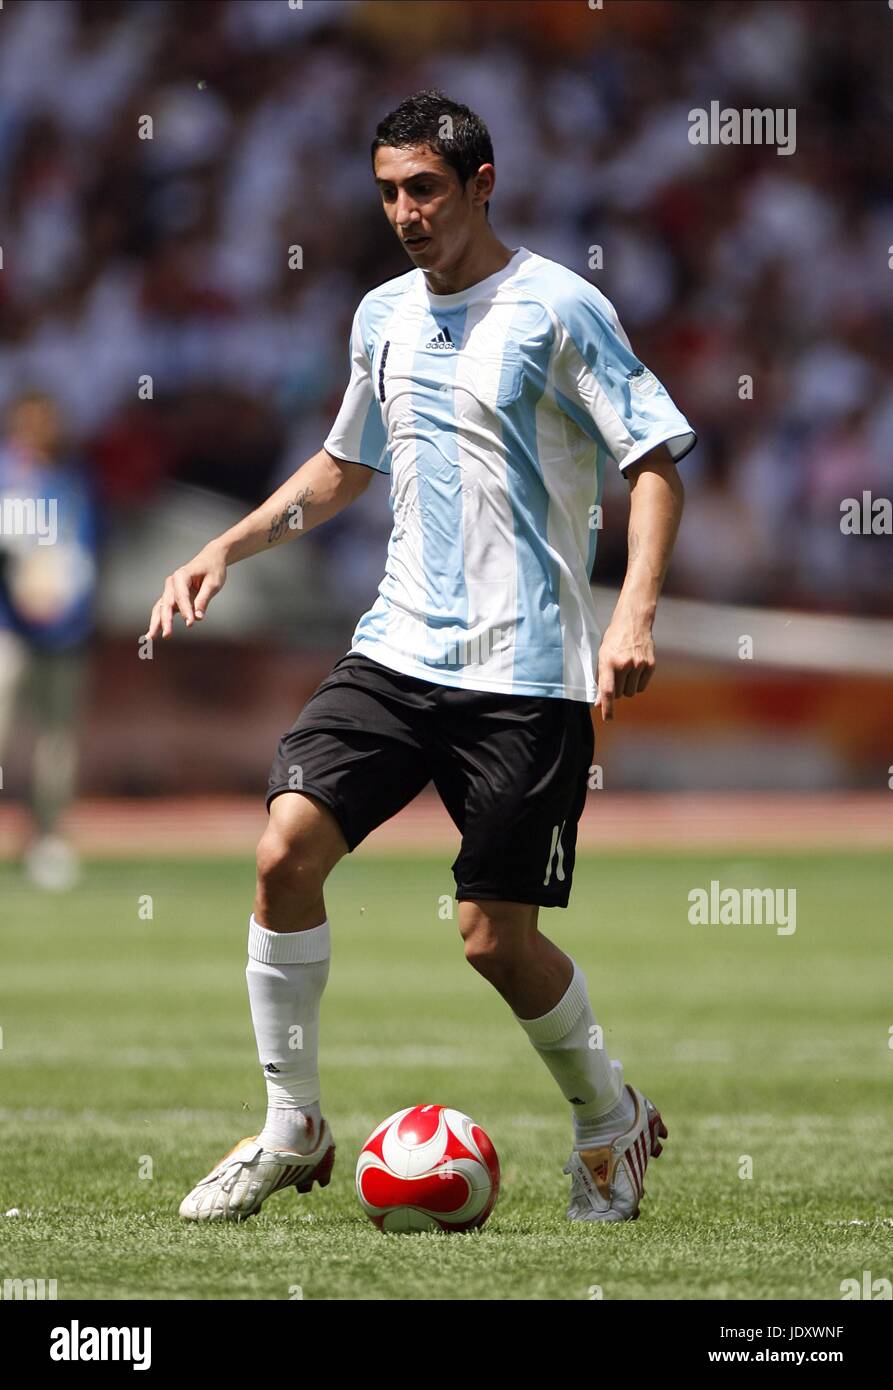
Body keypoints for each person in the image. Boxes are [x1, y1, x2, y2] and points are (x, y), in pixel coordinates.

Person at [147, 91, 695, 1224]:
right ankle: (291, 1124)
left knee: (492, 940)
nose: (403, 210)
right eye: (389, 190)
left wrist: (632, 614)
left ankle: (610, 1123)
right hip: (395, 653)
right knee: (281, 854)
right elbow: (345, 465)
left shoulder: (558, 308)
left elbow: (650, 461)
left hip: (526, 672)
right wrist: (227, 547)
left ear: (479, 184)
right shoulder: (381, 315)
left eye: (424, 189)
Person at [0, 391, 98, 891]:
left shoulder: (69, 484)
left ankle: (47, 839)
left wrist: (63, 599)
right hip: (9, 631)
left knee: (56, 746)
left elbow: (82, 554)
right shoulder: (7, 481)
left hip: (64, 635)